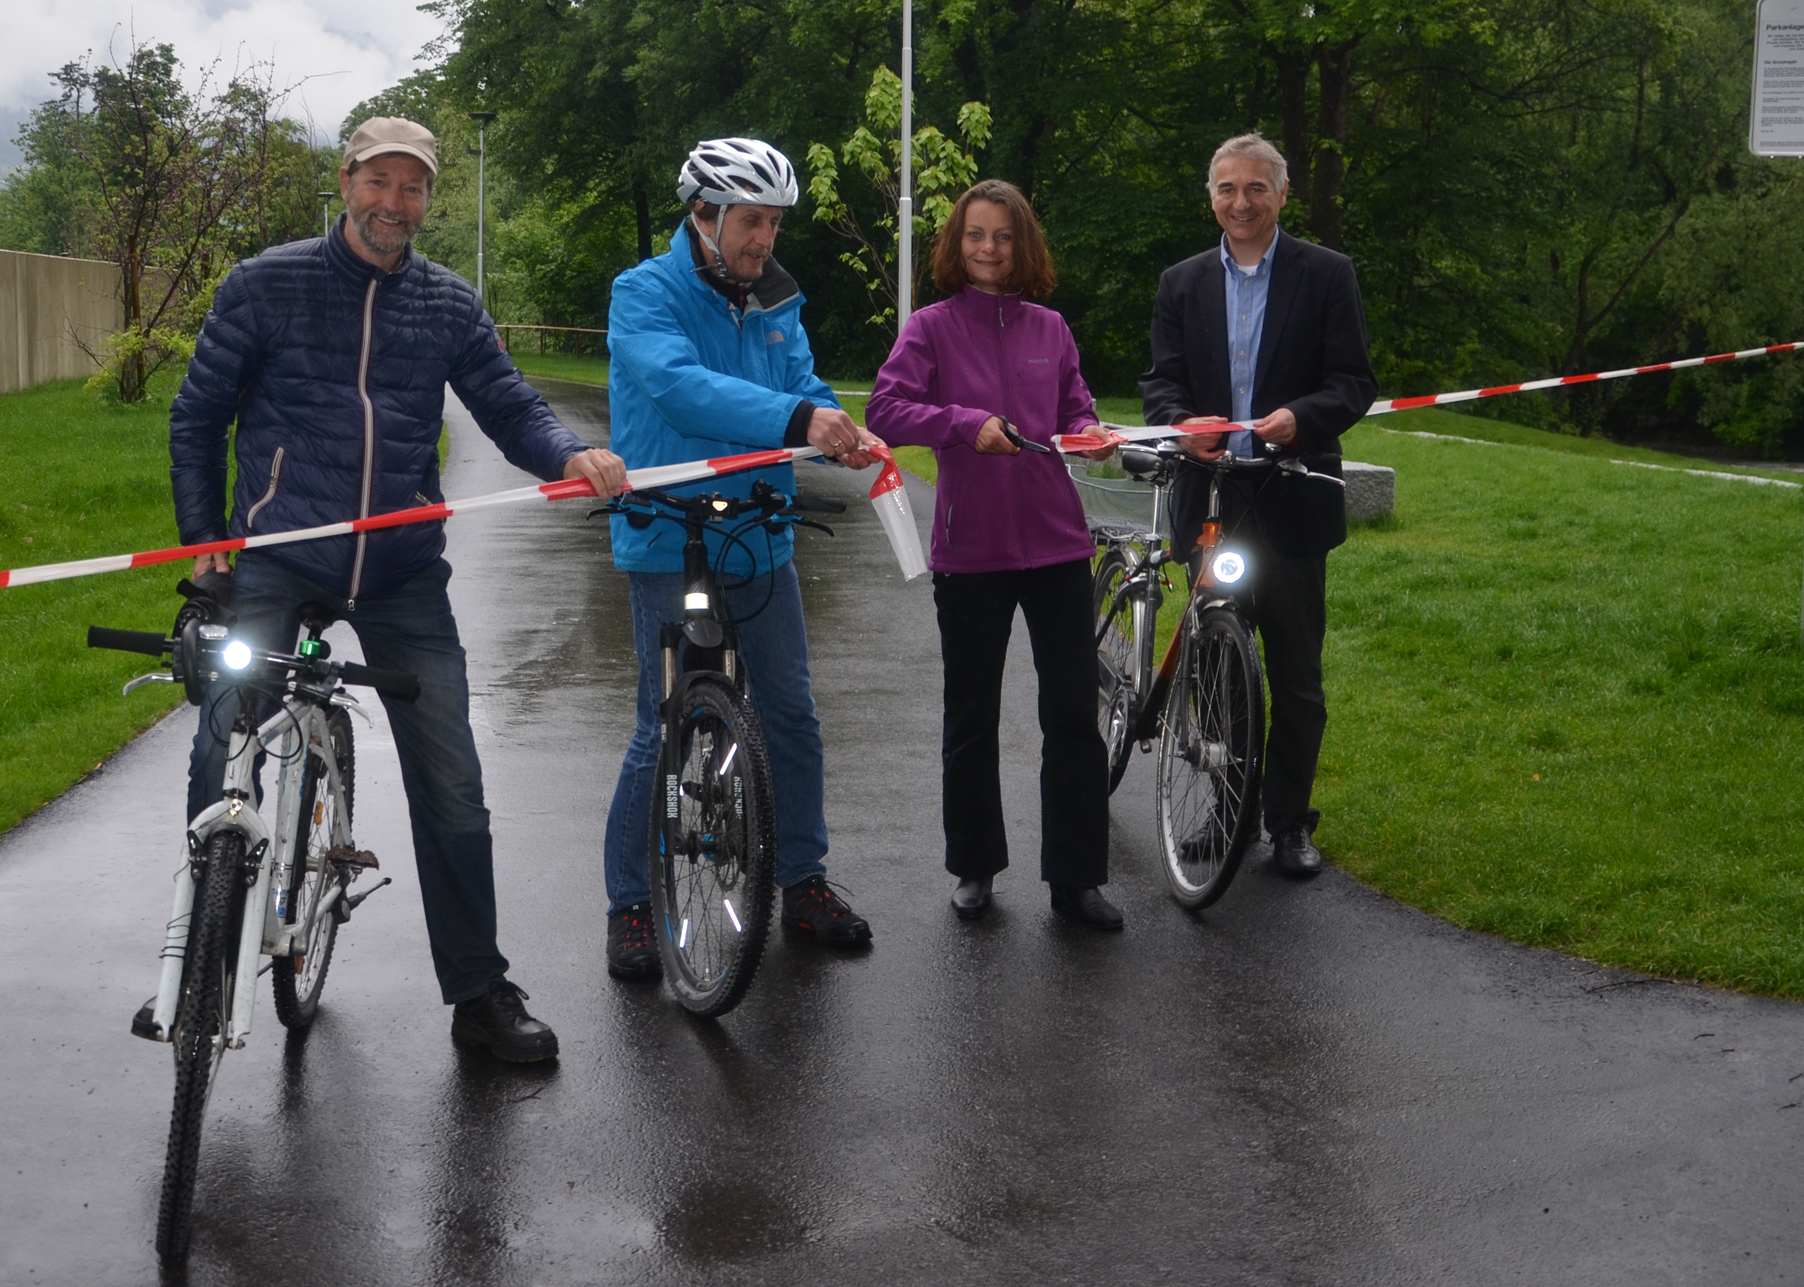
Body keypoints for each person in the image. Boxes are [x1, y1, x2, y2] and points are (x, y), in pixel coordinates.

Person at [166, 115, 627, 1063]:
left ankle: (480, 991)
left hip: (402, 569)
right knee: (225, 735)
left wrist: (569, 452)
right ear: (345, 182)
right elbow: (198, 415)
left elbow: (508, 403)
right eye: (378, 181)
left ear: (427, 199)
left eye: (412, 187)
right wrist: (207, 544)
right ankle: (205, 951)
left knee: (452, 780)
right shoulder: (264, 283)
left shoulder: (448, 304)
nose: (394, 202)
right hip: (280, 554)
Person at [599, 136, 888, 980]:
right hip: (667, 532)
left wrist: (839, 428)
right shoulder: (643, 291)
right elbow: (678, 386)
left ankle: (803, 879)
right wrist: (798, 421)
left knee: (791, 711)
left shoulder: (776, 299)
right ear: (704, 214)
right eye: (752, 221)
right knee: (661, 721)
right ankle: (630, 903)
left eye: (775, 223)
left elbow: (803, 385)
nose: (765, 238)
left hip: (760, 531)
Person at [866, 180, 1122, 930]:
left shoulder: (1052, 327)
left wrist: (1091, 433)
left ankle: (1077, 879)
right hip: (970, 551)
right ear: (956, 243)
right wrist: (962, 422)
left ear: (1023, 245)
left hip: (1058, 545)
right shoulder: (931, 328)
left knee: (1073, 714)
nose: (989, 248)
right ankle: (974, 867)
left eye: (1004, 236)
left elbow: (1075, 409)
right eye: (976, 234)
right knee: (972, 714)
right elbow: (885, 409)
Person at [1138, 133, 1374, 880]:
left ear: (1282, 194)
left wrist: (1302, 417)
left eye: (1256, 188)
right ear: (1210, 195)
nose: (1241, 202)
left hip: (1293, 497)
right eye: (1227, 188)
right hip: (1211, 498)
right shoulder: (1181, 282)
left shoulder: (1327, 274)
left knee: (1296, 675)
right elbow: (1161, 381)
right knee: (1215, 669)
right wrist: (1183, 423)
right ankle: (1227, 813)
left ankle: (1289, 821)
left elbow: (1353, 381)